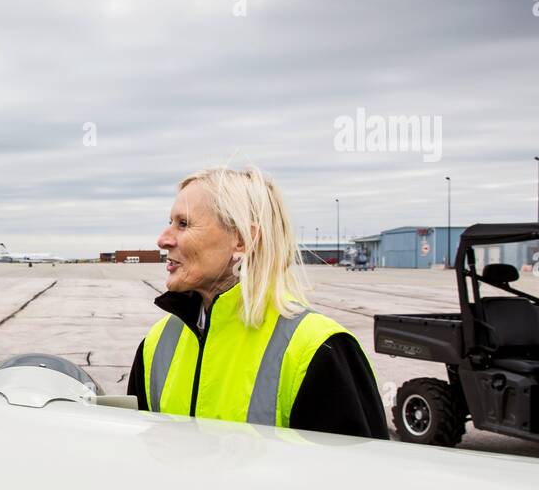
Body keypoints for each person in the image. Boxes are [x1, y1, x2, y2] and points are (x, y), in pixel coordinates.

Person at [126, 166, 388, 438]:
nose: (163, 239)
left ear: (241, 240)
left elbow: (357, 475)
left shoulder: (319, 350)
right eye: (170, 222)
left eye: (183, 224)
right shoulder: (156, 345)